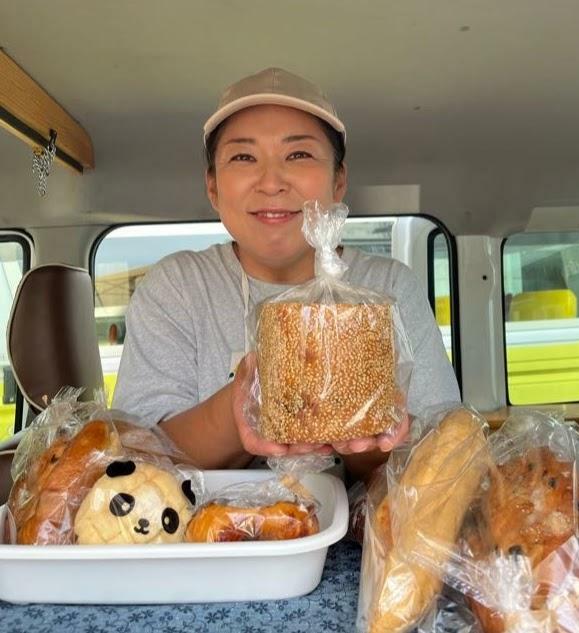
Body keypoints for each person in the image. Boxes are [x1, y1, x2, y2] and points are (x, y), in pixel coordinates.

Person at [112, 67, 460, 480]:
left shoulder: (387, 289)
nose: (271, 181)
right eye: (243, 156)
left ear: (338, 181)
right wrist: (238, 409)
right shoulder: (178, 288)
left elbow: (445, 459)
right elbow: (134, 459)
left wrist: (366, 434)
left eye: (298, 155)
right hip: (214, 540)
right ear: (213, 187)